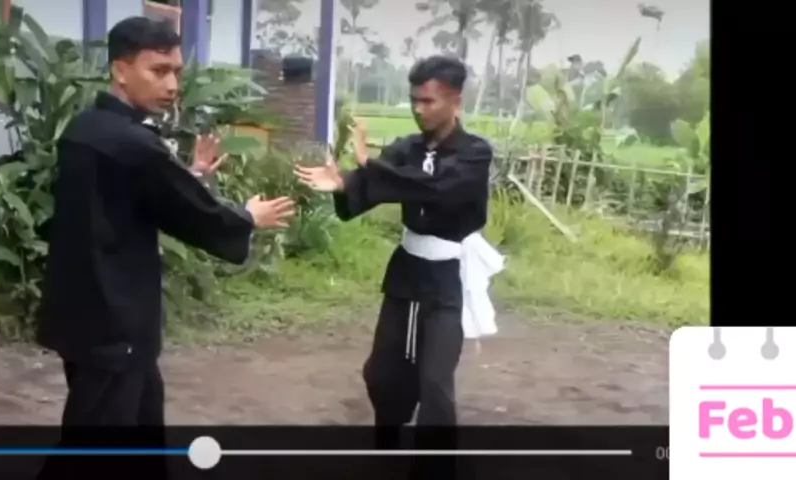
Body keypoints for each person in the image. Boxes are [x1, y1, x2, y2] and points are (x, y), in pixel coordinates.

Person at [35, 16, 294, 478]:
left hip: (86, 314)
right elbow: (194, 213)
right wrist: (247, 217)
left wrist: (190, 175)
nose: (172, 85)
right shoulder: (132, 143)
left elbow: (133, 199)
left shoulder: (84, 129)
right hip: (113, 321)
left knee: (137, 432)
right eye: (158, 71)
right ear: (120, 70)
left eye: (175, 71)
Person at [295, 55, 503, 476]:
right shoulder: (406, 149)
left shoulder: (474, 153)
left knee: (436, 383)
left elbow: (439, 188)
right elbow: (370, 188)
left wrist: (372, 167)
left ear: (455, 100)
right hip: (407, 272)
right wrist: (345, 183)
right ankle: (388, 443)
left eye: (429, 101)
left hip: (449, 278)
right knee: (382, 374)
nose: (418, 109)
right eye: (414, 100)